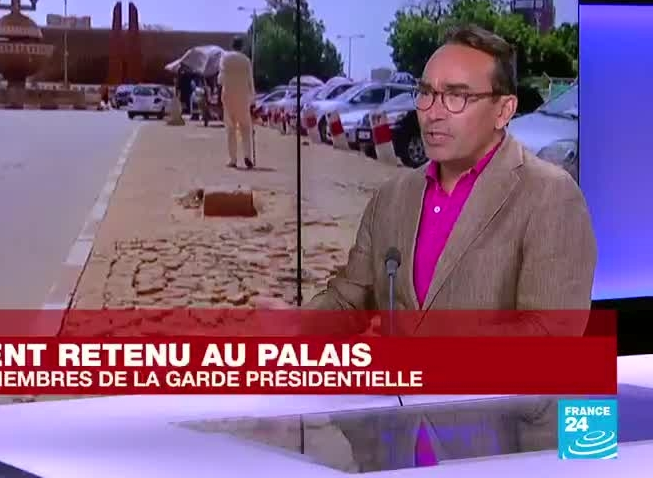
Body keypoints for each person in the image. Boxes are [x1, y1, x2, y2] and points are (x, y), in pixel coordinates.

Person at [302, 24, 595, 331]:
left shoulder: (551, 197)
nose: (433, 113)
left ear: (504, 110)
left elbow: (550, 334)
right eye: (426, 93)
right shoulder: (391, 197)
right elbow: (348, 299)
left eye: (457, 96)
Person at [218, 36, 256, 169]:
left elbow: (220, 79)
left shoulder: (224, 58)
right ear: (241, 46)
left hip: (228, 97)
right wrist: (253, 99)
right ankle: (247, 156)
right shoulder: (246, 60)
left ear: (232, 45)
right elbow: (250, 81)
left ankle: (233, 159)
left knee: (231, 129)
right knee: (246, 128)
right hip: (243, 97)